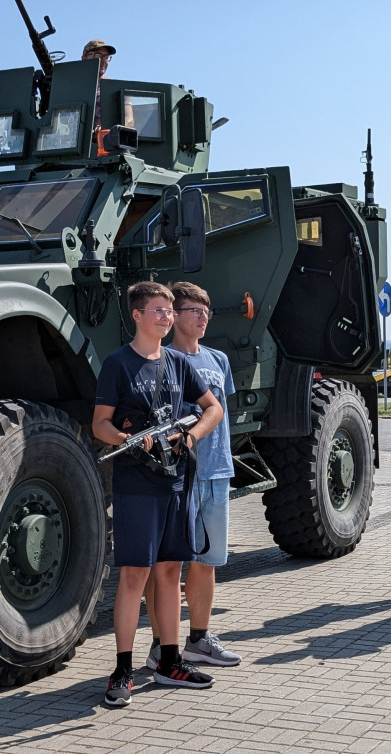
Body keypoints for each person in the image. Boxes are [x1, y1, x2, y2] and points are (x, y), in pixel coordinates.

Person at [93, 281, 224, 707]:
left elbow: (213, 409)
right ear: (137, 315)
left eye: (169, 310)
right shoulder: (118, 364)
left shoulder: (177, 363)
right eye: (158, 310)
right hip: (136, 485)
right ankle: (123, 669)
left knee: (170, 574)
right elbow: (100, 424)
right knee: (134, 576)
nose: (167, 317)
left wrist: (190, 435)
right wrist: (128, 441)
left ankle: (170, 661)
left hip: (176, 484)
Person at [143, 282, 242, 669]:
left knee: (208, 560)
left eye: (207, 311)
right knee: (167, 564)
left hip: (217, 471)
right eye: (193, 311)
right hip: (179, 475)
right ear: (174, 316)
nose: (202, 317)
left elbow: (220, 413)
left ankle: (199, 639)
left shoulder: (218, 359)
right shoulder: (160, 359)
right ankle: (158, 644)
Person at [82, 39, 115, 137]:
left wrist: (109, 129)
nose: (103, 60)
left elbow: (128, 119)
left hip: (107, 145)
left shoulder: (114, 88)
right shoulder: (71, 87)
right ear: (84, 58)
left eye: (106, 57)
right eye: (98, 55)